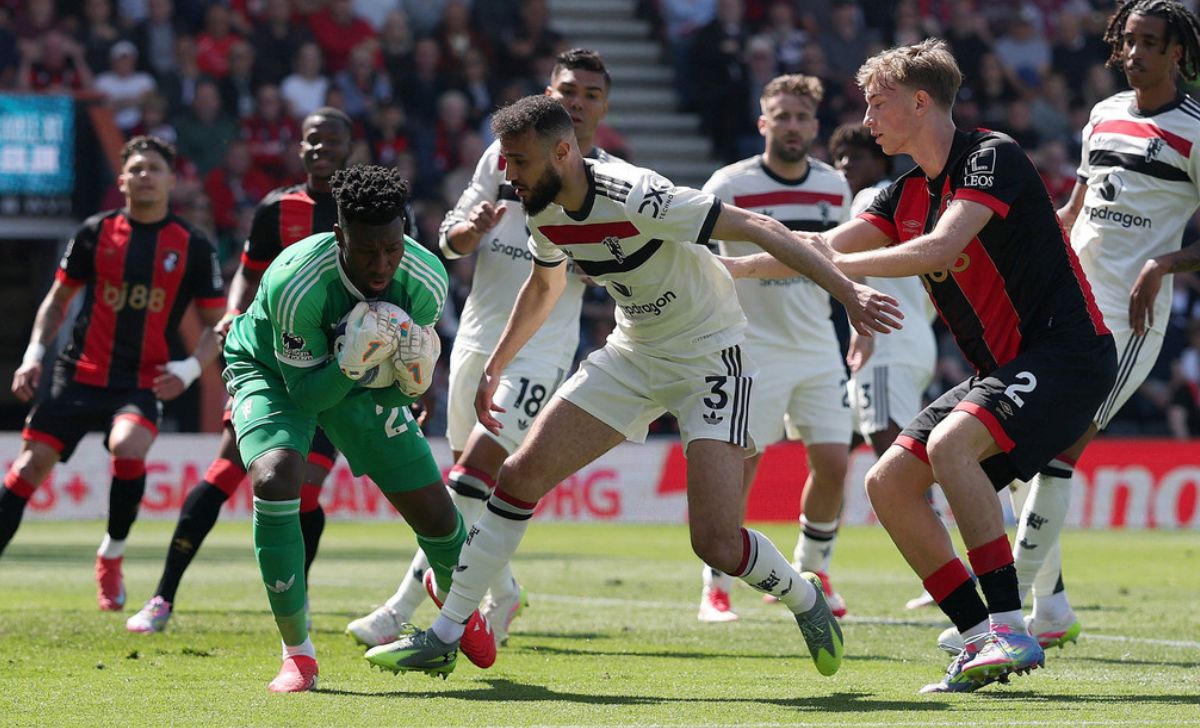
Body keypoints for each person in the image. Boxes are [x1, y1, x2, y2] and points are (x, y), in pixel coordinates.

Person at [361, 94, 905, 680]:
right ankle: (445, 634)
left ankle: (804, 597)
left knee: (717, 543)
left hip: (709, 359)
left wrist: (849, 294)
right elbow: (544, 287)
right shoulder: (542, 207)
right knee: (518, 477)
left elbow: (760, 226)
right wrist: (498, 362)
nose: (507, 174)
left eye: (517, 162)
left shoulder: (637, 193)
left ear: (563, 151)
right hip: (632, 353)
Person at [818, 39, 1116, 693]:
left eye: (877, 103)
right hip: (1003, 370)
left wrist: (836, 270)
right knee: (887, 484)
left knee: (954, 446)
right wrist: (720, 255)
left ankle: (1013, 628)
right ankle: (981, 636)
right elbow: (819, 246)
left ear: (920, 100)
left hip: (1068, 353)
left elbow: (941, 247)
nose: (867, 120)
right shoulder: (900, 192)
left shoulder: (991, 155)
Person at [345, 49, 619, 649]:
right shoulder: (503, 157)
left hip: (540, 351)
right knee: (470, 493)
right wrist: (470, 231)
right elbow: (450, 235)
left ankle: (401, 610)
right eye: (567, 88)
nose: (576, 101)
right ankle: (504, 591)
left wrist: (594, 262)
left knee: (468, 482)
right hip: (473, 342)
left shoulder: (609, 180)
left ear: (603, 106)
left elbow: (619, 270)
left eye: (590, 94)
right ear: (548, 91)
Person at [950, 0, 1200, 655]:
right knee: (1028, 460)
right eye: (1129, 41)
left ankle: (1007, 620)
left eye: (1151, 43)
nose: (1136, 53)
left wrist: (1165, 263)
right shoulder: (1103, 114)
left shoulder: (1197, 129)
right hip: (1070, 306)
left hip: (1132, 320)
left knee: (1058, 455)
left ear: (1179, 52)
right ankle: (1051, 608)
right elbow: (1079, 206)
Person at [219, 164, 493, 693]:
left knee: (437, 515)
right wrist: (349, 366)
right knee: (277, 480)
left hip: (359, 382)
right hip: (275, 373)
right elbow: (306, 397)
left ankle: (460, 609)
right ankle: (298, 655)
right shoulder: (297, 282)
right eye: (368, 250)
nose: (381, 264)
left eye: (392, 248)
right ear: (340, 234)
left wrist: (412, 384)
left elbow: (407, 388)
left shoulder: (426, 279)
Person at [125, 108, 354, 634]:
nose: (321, 149)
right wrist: (232, 310)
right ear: (299, 149)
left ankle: (297, 598)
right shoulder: (277, 209)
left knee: (309, 492)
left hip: (334, 370)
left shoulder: (363, 207)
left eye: (332, 141)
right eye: (312, 141)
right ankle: (162, 597)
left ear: (348, 147)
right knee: (225, 473)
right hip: (273, 363)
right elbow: (247, 276)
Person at [1, 136, 226, 611]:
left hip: (139, 379)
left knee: (127, 447)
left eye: (154, 169)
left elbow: (217, 327)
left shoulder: (191, 245)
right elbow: (57, 302)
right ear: (122, 180)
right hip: (78, 373)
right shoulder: (94, 233)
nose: (145, 176)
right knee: (26, 470)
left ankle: (112, 553)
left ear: (171, 180)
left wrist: (187, 370)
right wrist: (33, 354)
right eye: (136, 169)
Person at [696, 74, 856, 624]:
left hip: (817, 345)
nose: (792, 126)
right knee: (741, 466)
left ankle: (812, 567)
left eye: (801, 117)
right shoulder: (729, 184)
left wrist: (862, 326)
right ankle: (716, 584)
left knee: (835, 463)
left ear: (815, 126)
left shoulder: (835, 187)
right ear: (764, 123)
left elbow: (843, 261)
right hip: (751, 347)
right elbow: (694, 254)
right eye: (781, 116)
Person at [828, 122, 942, 611]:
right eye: (841, 158)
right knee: (838, 443)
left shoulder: (871, 200)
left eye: (858, 155)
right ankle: (812, 561)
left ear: (881, 162)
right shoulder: (915, 207)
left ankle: (942, 572)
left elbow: (859, 265)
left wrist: (863, 328)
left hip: (884, 343)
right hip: (912, 336)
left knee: (894, 459)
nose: (848, 166)